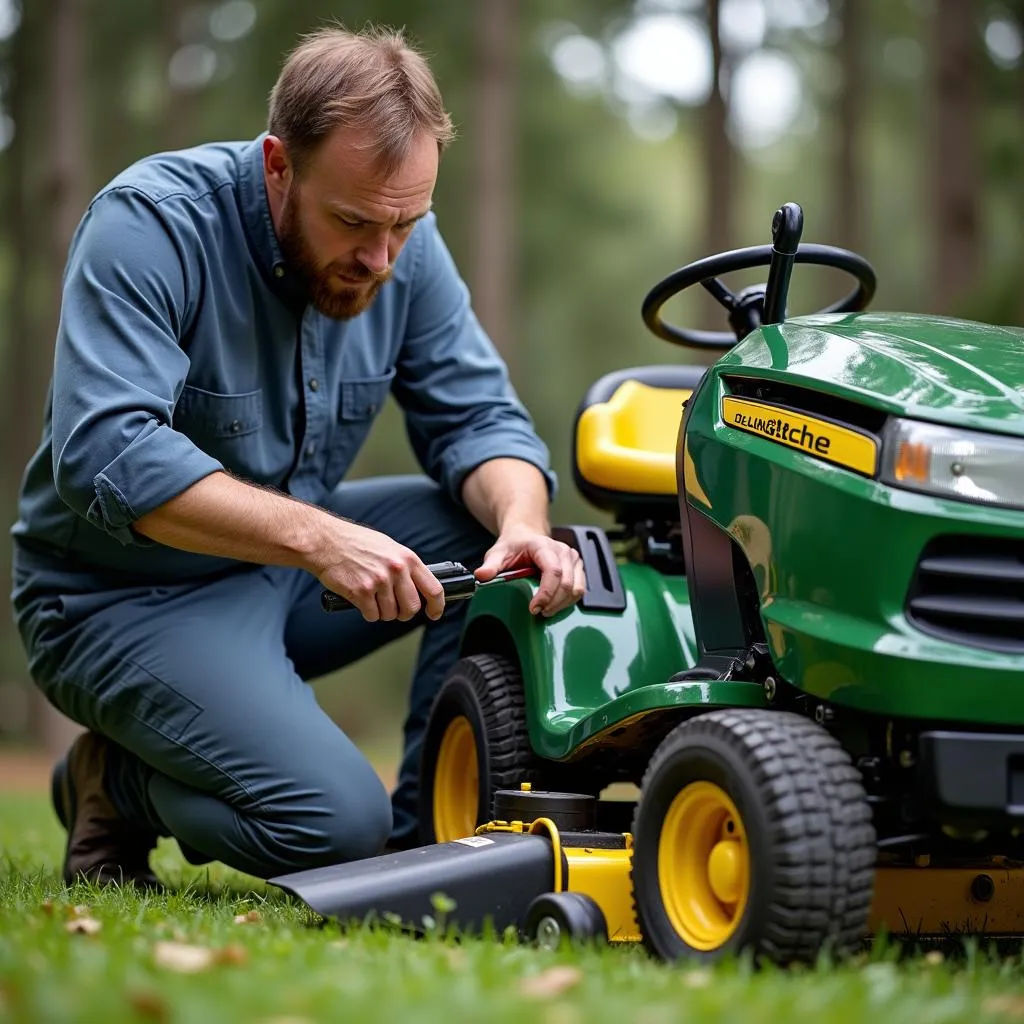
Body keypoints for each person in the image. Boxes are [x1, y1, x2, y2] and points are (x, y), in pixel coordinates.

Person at [10, 25, 584, 888]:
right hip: (114, 598)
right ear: (279, 166)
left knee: (486, 538)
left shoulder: (400, 246)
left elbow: (482, 418)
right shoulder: (152, 224)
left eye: (406, 222)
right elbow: (107, 454)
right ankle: (114, 781)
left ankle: (417, 844)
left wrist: (525, 523)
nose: (381, 258)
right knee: (329, 823)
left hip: (277, 576)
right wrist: (321, 541)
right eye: (354, 221)